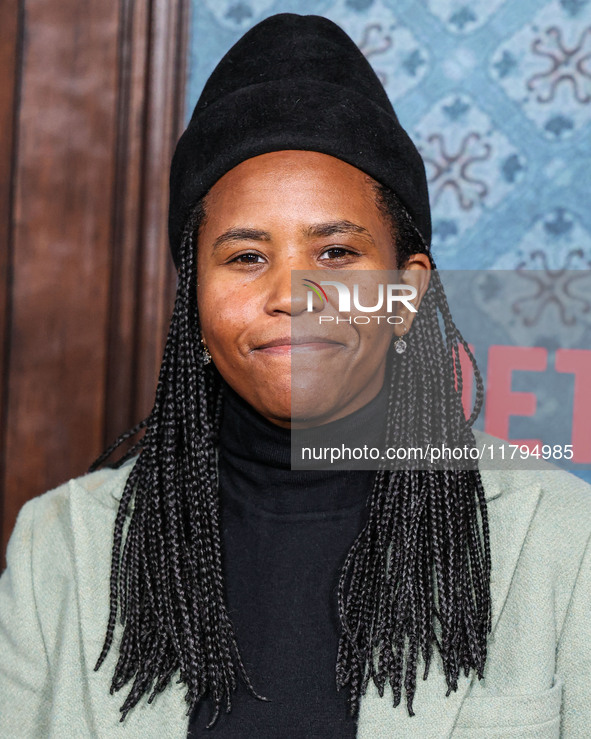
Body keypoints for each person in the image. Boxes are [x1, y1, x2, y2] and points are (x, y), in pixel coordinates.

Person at [1, 12, 590, 739]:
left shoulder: (564, 538)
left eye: (337, 253)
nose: (292, 293)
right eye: (245, 256)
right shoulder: (57, 546)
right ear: (192, 297)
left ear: (405, 295)